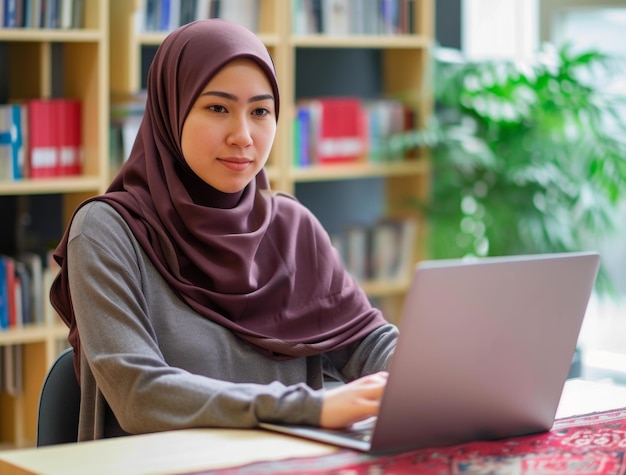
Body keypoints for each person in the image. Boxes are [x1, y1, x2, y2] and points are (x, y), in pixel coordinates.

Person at [50, 18, 398, 441]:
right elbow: (139, 395)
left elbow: (368, 344)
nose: (243, 136)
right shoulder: (107, 231)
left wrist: (440, 376)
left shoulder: (291, 227)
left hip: (286, 466)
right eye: (217, 108)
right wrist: (307, 407)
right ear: (171, 110)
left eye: (260, 111)